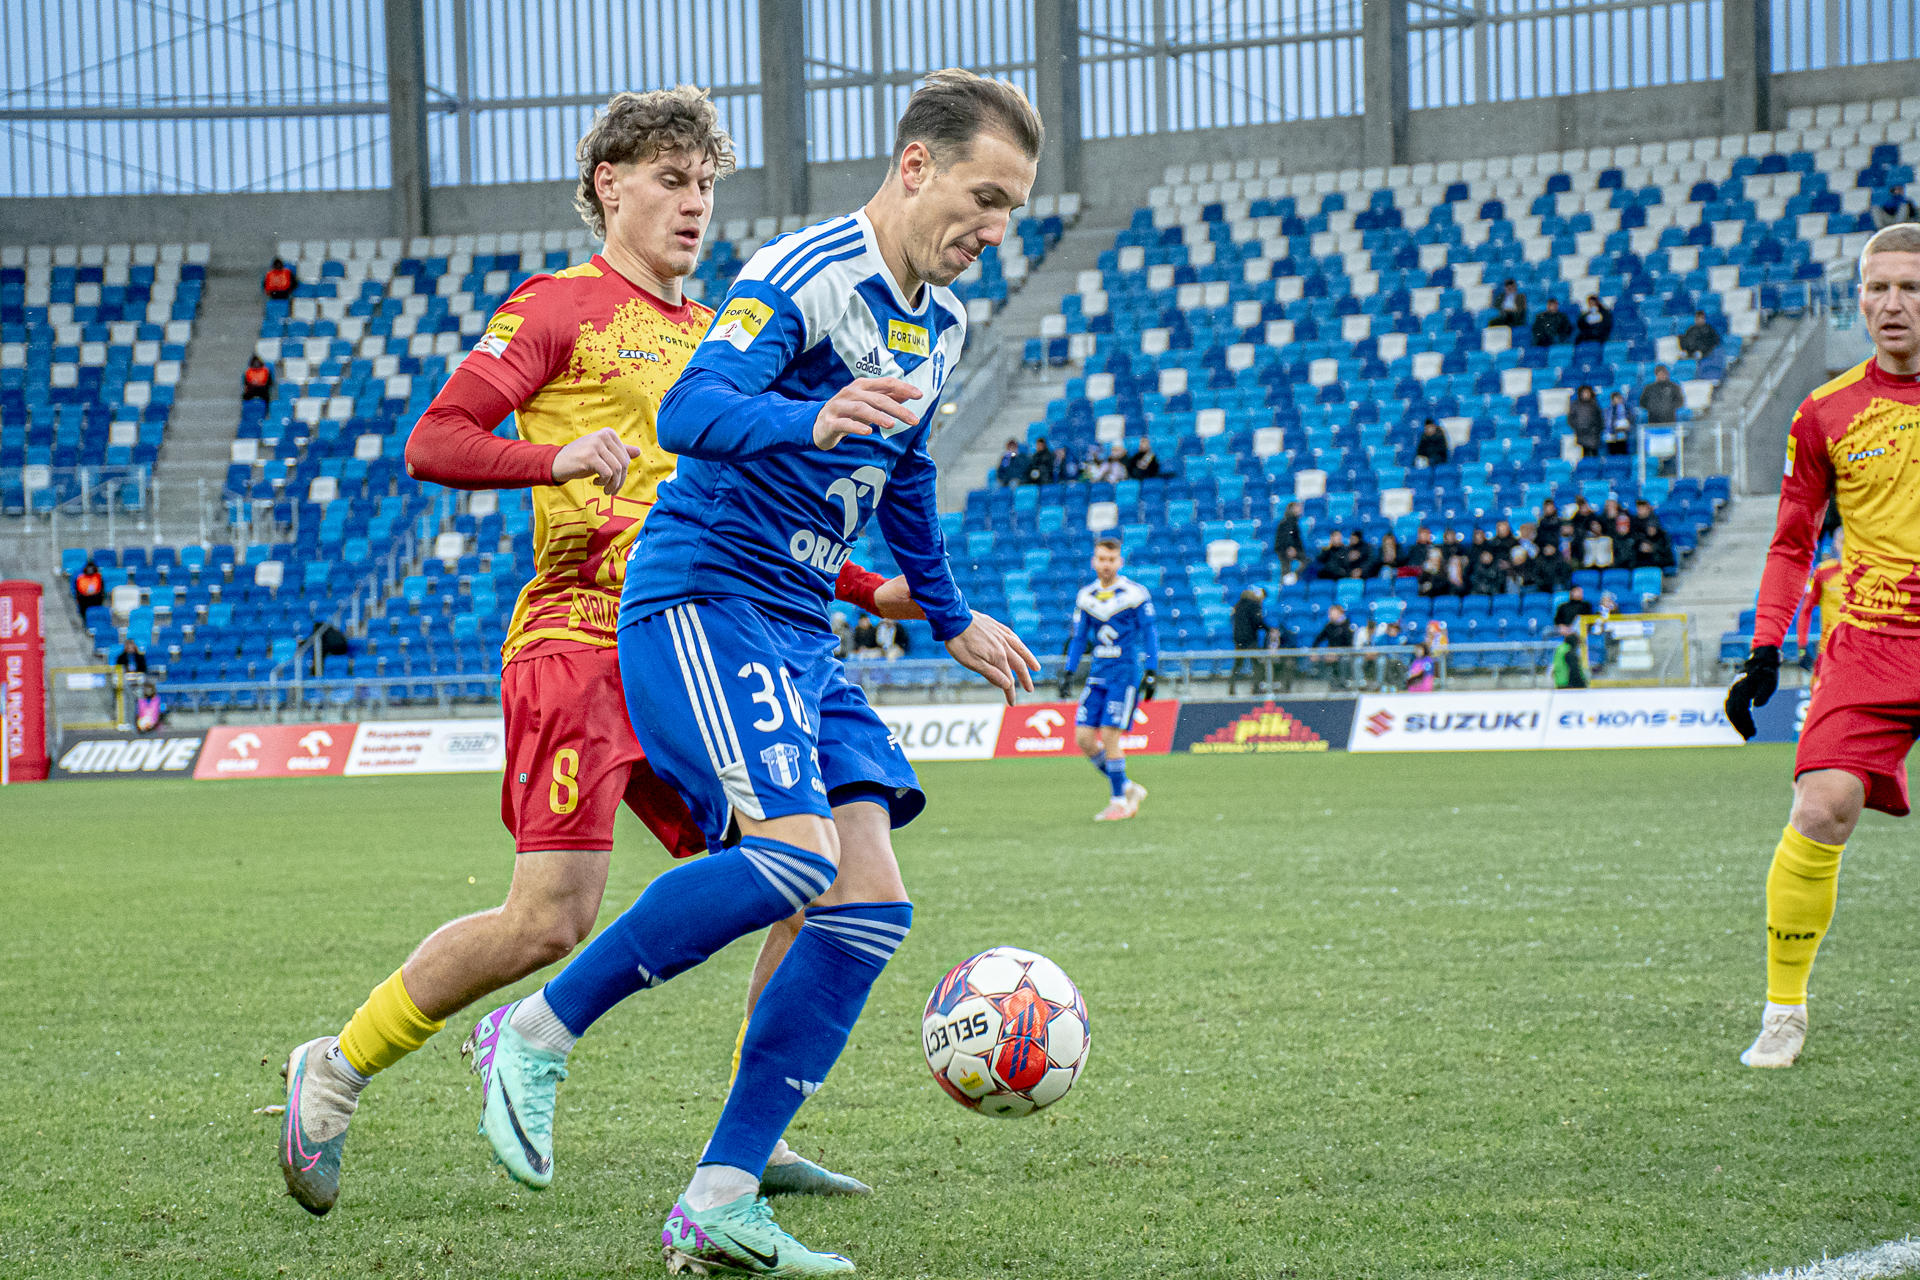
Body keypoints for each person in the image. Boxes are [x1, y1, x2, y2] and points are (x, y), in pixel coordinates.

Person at [275, 88, 920, 1220]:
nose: (696, 203)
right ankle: (334, 1068)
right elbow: (435, 438)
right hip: (580, 637)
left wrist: (875, 588)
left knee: (809, 870)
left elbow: (753, 510)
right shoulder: (557, 306)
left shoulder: (726, 332)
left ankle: (753, 1135)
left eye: (706, 184)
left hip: (711, 627)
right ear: (608, 187)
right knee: (549, 920)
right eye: (671, 180)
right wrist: (556, 456)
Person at [465, 71, 1044, 1274]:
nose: (996, 229)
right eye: (986, 198)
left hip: (798, 625)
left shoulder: (940, 323)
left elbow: (908, 474)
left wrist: (947, 615)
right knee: (792, 854)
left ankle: (721, 1195)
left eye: (1014, 209)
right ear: (916, 167)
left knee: (869, 900)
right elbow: (688, 409)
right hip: (704, 595)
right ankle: (536, 1027)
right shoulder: (806, 272)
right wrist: (808, 418)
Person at [1723, 225, 1920, 1071]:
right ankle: (1784, 1012)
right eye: (1877, 287)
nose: (1892, 304)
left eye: (1910, 287)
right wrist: (1765, 649)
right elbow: (1792, 539)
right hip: (1869, 644)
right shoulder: (1825, 411)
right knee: (1819, 808)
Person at [1060, 538, 1159, 820]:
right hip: (1098, 676)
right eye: (1101, 559)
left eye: (1111, 559)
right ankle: (1128, 787)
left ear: (1120, 562)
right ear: (1094, 561)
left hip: (1124, 675)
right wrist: (1069, 671)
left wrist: (1151, 671)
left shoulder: (1134, 594)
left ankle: (1118, 802)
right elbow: (1079, 638)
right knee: (1084, 738)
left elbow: (1150, 633)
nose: (1106, 564)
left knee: (1109, 736)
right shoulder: (1086, 597)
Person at [1793, 528, 1846, 675]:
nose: (1845, 547)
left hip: (1860, 650)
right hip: (1829, 650)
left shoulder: (1868, 573)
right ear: (1835, 544)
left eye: (1849, 542)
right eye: (1842, 542)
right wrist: (1802, 647)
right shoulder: (1823, 572)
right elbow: (1806, 610)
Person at [1227, 585, 1268, 695]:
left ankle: (1231, 688)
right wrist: (1268, 629)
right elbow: (1257, 621)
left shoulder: (1237, 606)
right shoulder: (1254, 605)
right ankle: (1256, 688)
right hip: (1250, 639)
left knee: (1237, 665)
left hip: (1239, 639)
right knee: (1257, 665)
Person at [1311, 602, 1357, 688]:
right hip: (1331, 654)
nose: (1330, 615)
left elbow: (1349, 644)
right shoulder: (1329, 626)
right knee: (1320, 660)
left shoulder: (1346, 626)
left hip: (1344, 654)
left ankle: (1344, 684)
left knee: (1344, 661)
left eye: (1332, 612)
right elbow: (1318, 639)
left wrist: (1338, 653)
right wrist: (1314, 651)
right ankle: (1325, 684)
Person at [1568, 384, 1603, 459]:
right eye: (1584, 393)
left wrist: (1595, 430)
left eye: (1587, 393)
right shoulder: (1575, 405)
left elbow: (1599, 420)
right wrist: (1578, 427)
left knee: (1594, 455)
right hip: (1581, 435)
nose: (1586, 394)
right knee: (1584, 455)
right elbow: (1571, 419)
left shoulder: (1595, 405)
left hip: (1593, 436)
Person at [1273, 500, 1305, 565]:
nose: (1300, 509)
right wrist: (1290, 547)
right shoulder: (1290, 522)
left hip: (1285, 549)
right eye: (1298, 507)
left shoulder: (1291, 521)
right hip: (1286, 550)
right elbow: (1289, 534)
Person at [1603, 390, 1633, 456]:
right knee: (1612, 455)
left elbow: (1630, 421)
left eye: (1619, 398)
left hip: (1623, 436)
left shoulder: (1627, 410)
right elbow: (1606, 422)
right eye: (1616, 398)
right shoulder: (1608, 410)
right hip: (1611, 437)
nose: (1618, 400)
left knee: (1622, 454)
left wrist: (1627, 426)